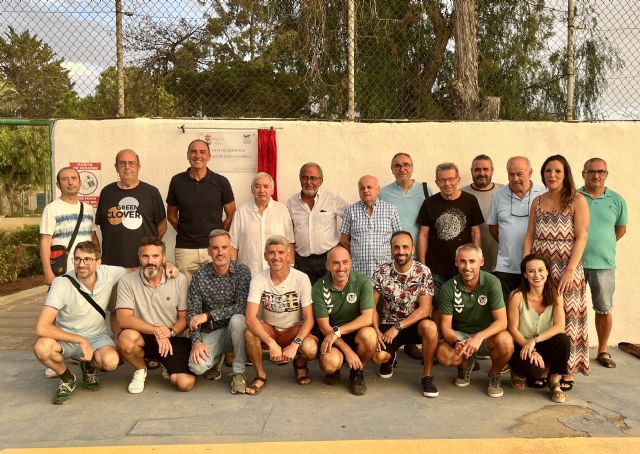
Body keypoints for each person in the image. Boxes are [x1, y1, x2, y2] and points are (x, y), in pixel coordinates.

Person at [524, 154, 590, 388]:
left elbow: (582, 236)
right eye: (548, 171)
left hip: (567, 267)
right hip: (541, 268)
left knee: (569, 317)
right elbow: (530, 235)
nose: (552, 176)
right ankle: (547, 367)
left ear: (565, 174)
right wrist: (526, 264)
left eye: (557, 172)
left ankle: (568, 370)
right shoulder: (537, 202)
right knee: (546, 317)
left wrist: (570, 270)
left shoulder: (577, 200)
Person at [33, 241, 122, 405]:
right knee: (42, 347)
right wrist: (81, 340)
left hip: (97, 337)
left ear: (98, 262)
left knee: (111, 362)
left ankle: (89, 367)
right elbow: (41, 327)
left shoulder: (109, 273)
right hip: (67, 338)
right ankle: (67, 378)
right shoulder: (61, 283)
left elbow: (137, 271)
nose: (81, 264)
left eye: (88, 259)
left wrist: (166, 265)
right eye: (77, 259)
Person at [96, 149, 167, 341]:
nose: (127, 167)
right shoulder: (107, 192)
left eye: (131, 163)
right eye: (122, 163)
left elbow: (161, 225)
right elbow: (102, 226)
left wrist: (148, 250)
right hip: (113, 265)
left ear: (138, 166)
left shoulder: (151, 192)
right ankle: (122, 348)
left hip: (145, 265)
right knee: (117, 308)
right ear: (116, 167)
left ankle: (147, 352)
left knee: (146, 309)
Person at [116, 237, 195, 394]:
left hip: (173, 337)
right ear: (139, 258)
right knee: (126, 338)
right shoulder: (127, 281)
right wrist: (157, 331)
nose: (150, 261)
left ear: (164, 259)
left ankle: (166, 363)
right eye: (145, 256)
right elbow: (123, 319)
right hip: (144, 335)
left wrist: (169, 332)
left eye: (155, 256)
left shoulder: (179, 280)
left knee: (185, 384)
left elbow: (183, 319)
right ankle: (140, 370)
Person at [436, 244, 513, 398]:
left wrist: (478, 337)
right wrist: (456, 343)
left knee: (506, 342)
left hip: (486, 336)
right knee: (444, 355)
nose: (467, 267)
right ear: (456, 263)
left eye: (472, 261)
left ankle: (494, 373)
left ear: (481, 262)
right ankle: (466, 364)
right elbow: (445, 327)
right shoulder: (448, 287)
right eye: (463, 261)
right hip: (462, 336)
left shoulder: (492, 282)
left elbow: (502, 322)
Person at [244, 236, 318, 395]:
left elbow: (309, 319)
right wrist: (271, 343)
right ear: (265, 256)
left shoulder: (301, 278)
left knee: (311, 349)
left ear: (288, 255)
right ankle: (260, 375)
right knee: (250, 334)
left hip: (293, 329)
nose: (276, 257)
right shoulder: (258, 279)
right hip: (270, 328)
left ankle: (300, 363)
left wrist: (295, 344)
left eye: (280, 252)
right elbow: (250, 318)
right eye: (271, 253)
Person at [371, 231, 439, 397]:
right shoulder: (381, 271)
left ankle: (427, 376)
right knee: (378, 356)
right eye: (397, 247)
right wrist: (376, 330)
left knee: (430, 327)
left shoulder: (423, 271)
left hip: (414, 324)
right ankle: (389, 358)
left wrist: (398, 326)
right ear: (391, 249)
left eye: (405, 247)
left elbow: (424, 309)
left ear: (413, 249)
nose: (401, 251)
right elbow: (370, 306)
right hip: (388, 324)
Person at [379, 153, 431, 360]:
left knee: (417, 303)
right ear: (392, 169)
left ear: (412, 167)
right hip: (395, 256)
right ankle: (390, 342)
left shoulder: (425, 190)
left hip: (419, 256)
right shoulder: (384, 193)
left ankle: (410, 342)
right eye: (397, 165)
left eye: (406, 165)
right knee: (392, 301)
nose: (402, 168)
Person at [187, 229, 251, 394]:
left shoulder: (242, 271)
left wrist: (209, 315)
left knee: (238, 319)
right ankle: (216, 358)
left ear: (231, 249)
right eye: (215, 248)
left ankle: (238, 373)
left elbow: (242, 306)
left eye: (224, 247)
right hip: (211, 331)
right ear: (209, 251)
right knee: (196, 367)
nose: (220, 252)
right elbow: (193, 314)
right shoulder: (200, 275)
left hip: (235, 331)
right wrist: (196, 342)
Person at [578, 158, 627, 368]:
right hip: (574, 263)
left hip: (604, 264)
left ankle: (603, 350)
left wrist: (602, 245)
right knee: (570, 309)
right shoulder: (574, 196)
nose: (596, 176)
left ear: (606, 174)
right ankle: (572, 349)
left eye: (600, 172)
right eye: (591, 172)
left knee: (603, 308)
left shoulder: (616, 200)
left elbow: (620, 229)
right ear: (583, 173)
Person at [417, 163, 484, 318]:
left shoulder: (470, 200)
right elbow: (423, 235)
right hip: (436, 268)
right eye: (442, 180)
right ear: (436, 182)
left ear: (458, 179)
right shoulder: (429, 203)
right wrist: (423, 266)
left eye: (451, 179)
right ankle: (441, 339)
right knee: (439, 308)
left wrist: (476, 260)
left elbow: (476, 233)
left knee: (463, 307)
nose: (447, 183)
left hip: (463, 266)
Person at [167, 139, 236, 281]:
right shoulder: (177, 181)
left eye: (202, 152)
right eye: (193, 152)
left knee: (216, 290)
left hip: (213, 249)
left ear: (209, 157)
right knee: (185, 293)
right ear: (188, 155)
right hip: (185, 249)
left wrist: (218, 236)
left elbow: (231, 214)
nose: (198, 155)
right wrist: (184, 232)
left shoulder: (221, 181)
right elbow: (171, 215)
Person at [312, 246, 377, 396]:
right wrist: (347, 350)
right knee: (329, 365)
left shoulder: (363, 282)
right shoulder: (318, 288)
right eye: (335, 263)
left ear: (351, 264)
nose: (341, 268)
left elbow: (367, 318)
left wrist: (338, 331)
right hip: (330, 337)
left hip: (354, 334)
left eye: (345, 262)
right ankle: (336, 370)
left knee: (370, 335)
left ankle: (357, 372)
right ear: (327, 265)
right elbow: (324, 327)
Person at [507, 254, 570, 403]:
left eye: (541, 270)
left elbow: (560, 326)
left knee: (563, 339)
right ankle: (516, 371)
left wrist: (534, 341)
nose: (537, 275)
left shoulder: (556, 295)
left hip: (542, 342)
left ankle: (554, 381)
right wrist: (530, 348)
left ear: (547, 272)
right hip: (522, 344)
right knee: (534, 373)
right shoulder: (517, 296)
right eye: (531, 271)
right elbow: (512, 328)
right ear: (525, 274)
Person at [487, 156, 546, 303]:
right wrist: (508, 244)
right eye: (511, 174)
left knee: (532, 310)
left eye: (519, 174)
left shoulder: (544, 193)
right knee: (506, 311)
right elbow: (493, 227)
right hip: (505, 267)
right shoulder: (498, 196)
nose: (515, 178)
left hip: (536, 269)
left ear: (530, 172)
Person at [287, 162, 348, 284]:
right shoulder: (291, 202)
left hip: (328, 259)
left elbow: (351, 216)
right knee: (306, 298)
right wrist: (291, 263)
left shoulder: (331, 198)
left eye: (313, 178)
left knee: (330, 296)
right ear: (300, 179)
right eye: (305, 178)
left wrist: (343, 240)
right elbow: (289, 235)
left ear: (321, 181)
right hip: (302, 262)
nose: (308, 182)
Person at [39, 166, 98, 286]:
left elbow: (93, 239)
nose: (70, 182)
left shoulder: (88, 209)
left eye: (73, 178)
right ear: (58, 184)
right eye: (65, 179)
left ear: (80, 182)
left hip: (87, 270)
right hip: (62, 272)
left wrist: (97, 263)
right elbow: (45, 241)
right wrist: (47, 272)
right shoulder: (51, 209)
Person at [230, 172, 295, 277]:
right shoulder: (241, 212)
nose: (262, 191)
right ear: (252, 190)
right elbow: (233, 246)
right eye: (257, 186)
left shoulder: (282, 211)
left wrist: (290, 268)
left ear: (272, 190)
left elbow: (290, 243)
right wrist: (233, 272)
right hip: (247, 274)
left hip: (277, 273)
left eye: (266, 186)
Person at [340, 175, 401, 278]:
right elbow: (344, 240)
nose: (366, 190)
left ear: (378, 189)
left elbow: (398, 239)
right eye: (362, 188)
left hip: (385, 271)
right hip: (358, 271)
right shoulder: (351, 211)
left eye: (369, 187)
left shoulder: (391, 210)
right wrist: (356, 256)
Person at [461, 154, 504, 272]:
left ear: (492, 171)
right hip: (470, 264)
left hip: (501, 261)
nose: (482, 173)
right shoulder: (461, 193)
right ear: (471, 171)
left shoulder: (505, 191)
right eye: (477, 170)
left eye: (485, 169)